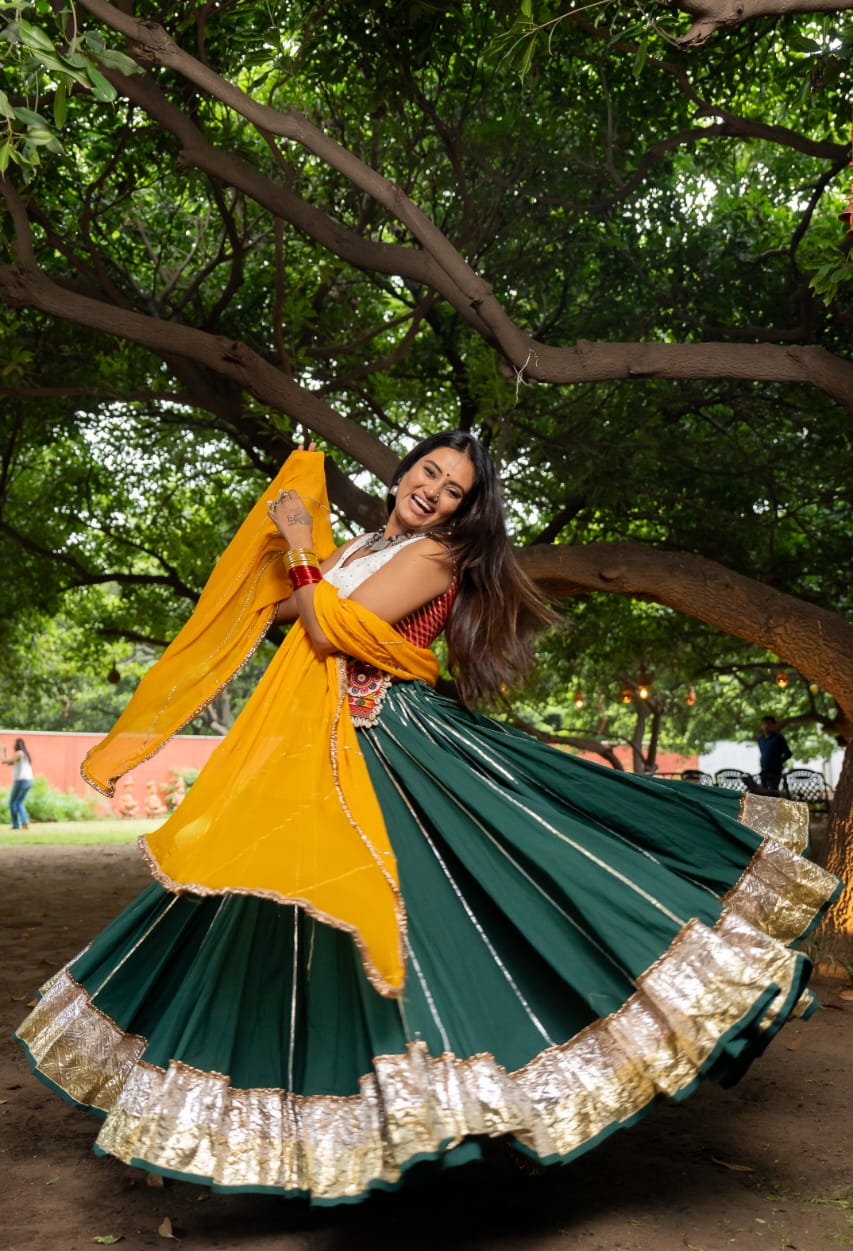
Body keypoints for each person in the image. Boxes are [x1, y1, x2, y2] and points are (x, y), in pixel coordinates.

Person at [15, 434, 840, 1206]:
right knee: (273, 901)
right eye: (429, 473)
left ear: (461, 512)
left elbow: (328, 629)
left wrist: (298, 546)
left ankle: (469, 1097)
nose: (434, 492)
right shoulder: (361, 547)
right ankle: (288, 1121)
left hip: (389, 744)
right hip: (323, 743)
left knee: (445, 903)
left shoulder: (434, 555)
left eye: (453, 491)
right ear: (404, 471)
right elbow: (286, 614)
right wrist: (271, 558)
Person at [2, 737, 33, 830]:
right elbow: (9, 762)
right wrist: (4, 752)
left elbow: (5, 761)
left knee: (13, 802)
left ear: (16, 744)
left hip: (21, 781)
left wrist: (1, 751)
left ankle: (18, 824)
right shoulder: (24, 754)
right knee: (18, 802)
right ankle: (23, 822)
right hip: (28, 781)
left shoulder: (19, 753)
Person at [757, 715, 793, 793]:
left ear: (773, 725)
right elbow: (763, 752)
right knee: (763, 793)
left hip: (775, 771)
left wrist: (778, 761)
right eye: (764, 724)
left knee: (773, 792)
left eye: (769, 724)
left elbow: (788, 753)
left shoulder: (779, 737)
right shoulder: (760, 739)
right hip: (764, 770)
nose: (766, 726)